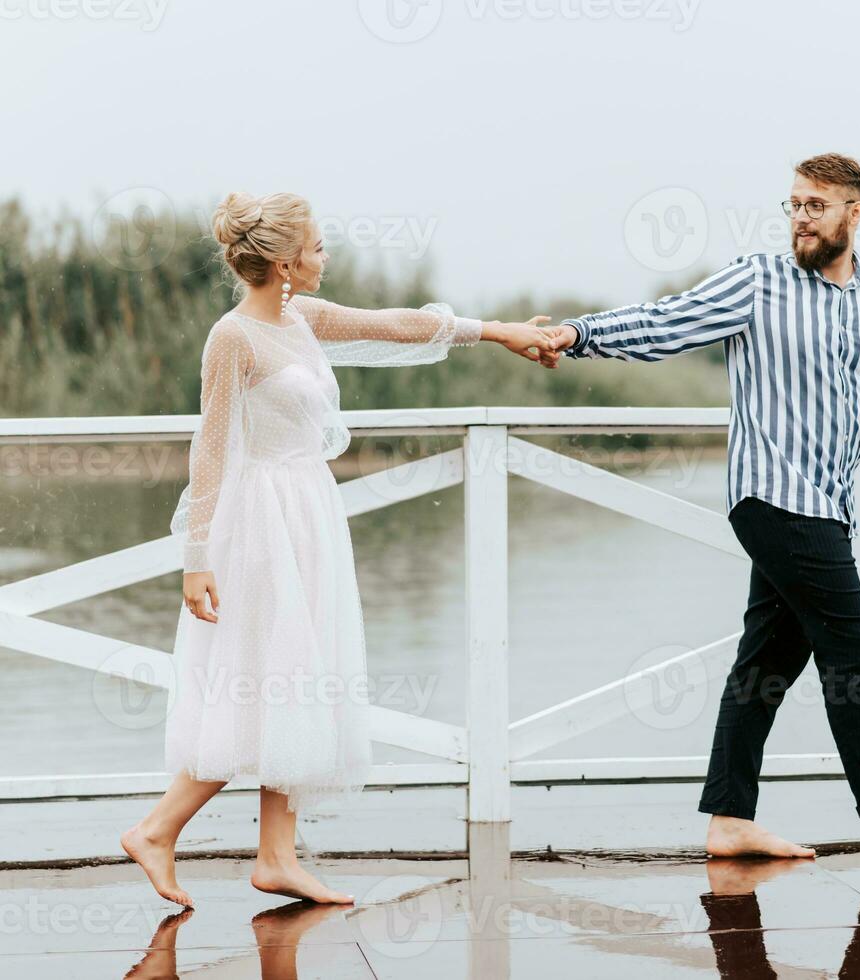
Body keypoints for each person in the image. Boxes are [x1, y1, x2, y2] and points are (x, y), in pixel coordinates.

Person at [120, 192, 555, 907]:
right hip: (257, 523)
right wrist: (195, 558)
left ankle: (277, 856)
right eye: (319, 248)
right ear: (287, 261)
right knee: (265, 677)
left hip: (308, 511)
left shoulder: (302, 319)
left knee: (300, 673)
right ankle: (157, 830)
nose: (327, 258)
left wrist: (502, 331)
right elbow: (210, 448)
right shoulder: (232, 338)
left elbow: (398, 326)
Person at [537, 154, 860, 865]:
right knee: (853, 645)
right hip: (769, 498)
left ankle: (730, 819)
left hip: (829, 509)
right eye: (794, 204)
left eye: (816, 206)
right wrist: (575, 336)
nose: (801, 217)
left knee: (765, 662)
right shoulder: (758, 281)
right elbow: (664, 324)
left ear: (853, 214)